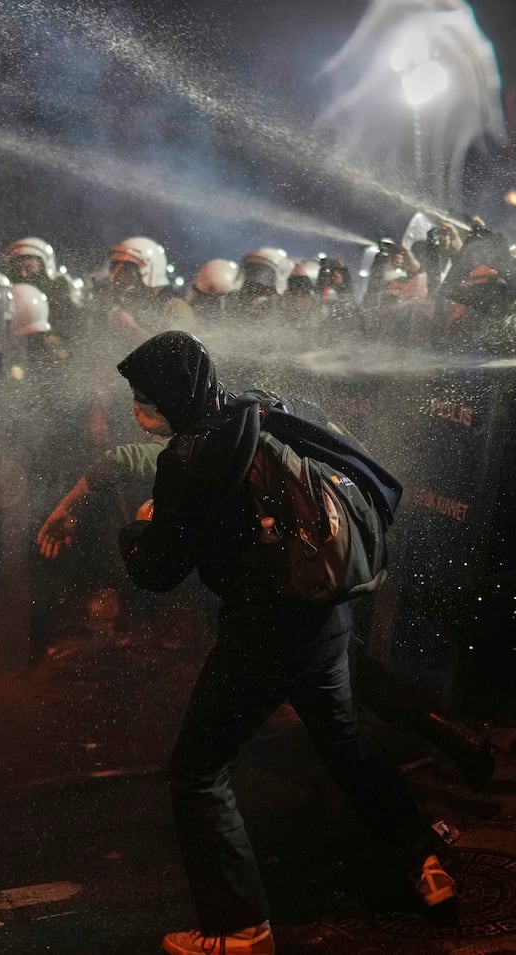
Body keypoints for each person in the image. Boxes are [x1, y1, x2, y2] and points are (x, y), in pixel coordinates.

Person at [113, 331, 454, 955]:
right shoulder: (257, 409)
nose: (139, 412)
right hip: (325, 619)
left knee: (196, 770)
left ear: (170, 399)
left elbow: (159, 572)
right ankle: (424, 863)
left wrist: (135, 532)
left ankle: (238, 928)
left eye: (144, 400)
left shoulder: (188, 462)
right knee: (346, 741)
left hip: (259, 636)